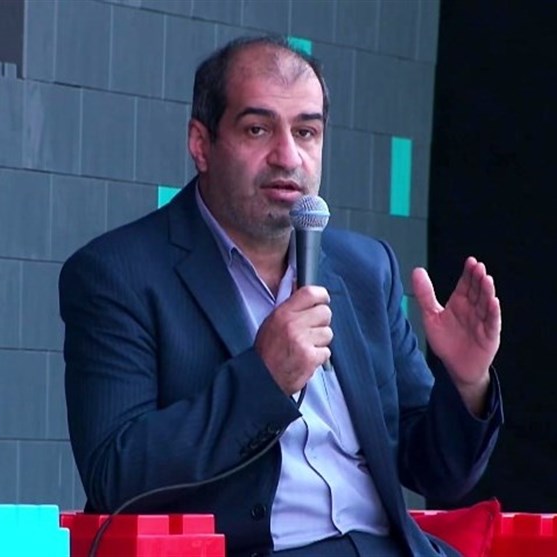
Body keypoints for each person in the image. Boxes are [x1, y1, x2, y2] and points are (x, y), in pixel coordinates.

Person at [59, 35, 503, 557]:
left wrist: (465, 383)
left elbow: (439, 474)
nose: (287, 156)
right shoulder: (118, 274)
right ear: (201, 144)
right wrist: (263, 380)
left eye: (306, 132)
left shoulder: (365, 269)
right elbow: (115, 473)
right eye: (258, 129)